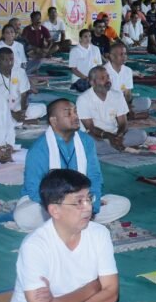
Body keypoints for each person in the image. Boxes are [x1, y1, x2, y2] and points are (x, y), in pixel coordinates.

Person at [4, 169, 156, 302]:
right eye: (78, 202)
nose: (88, 207)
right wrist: (92, 287)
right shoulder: (35, 246)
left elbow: (110, 296)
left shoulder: (99, 233)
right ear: (55, 210)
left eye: (89, 198)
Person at [13, 99, 131, 231]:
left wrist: (93, 203)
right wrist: (67, 205)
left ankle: (68, 221)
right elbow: (34, 189)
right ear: (54, 121)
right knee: (24, 217)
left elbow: (94, 176)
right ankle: (76, 219)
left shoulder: (86, 141)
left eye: (75, 112)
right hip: (49, 202)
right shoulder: (39, 148)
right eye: (68, 114)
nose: (75, 116)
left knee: (122, 203)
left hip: (81, 198)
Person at [77, 66, 147, 152]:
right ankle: (117, 147)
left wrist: (119, 135)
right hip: (95, 136)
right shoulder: (83, 99)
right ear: (92, 82)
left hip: (114, 134)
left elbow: (123, 122)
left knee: (141, 135)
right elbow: (90, 128)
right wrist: (108, 136)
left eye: (108, 77)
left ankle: (113, 146)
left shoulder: (117, 95)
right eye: (103, 78)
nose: (107, 80)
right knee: (88, 143)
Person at [0, 47, 45, 124]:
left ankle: (18, 121)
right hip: (0, 109)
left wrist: (23, 112)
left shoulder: (20, 72)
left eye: (11, 59)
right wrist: (12, 114)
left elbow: (24, 95)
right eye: (6, 60)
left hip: (17, 107)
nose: (9, 63)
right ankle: (22, 122)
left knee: (42, 108)